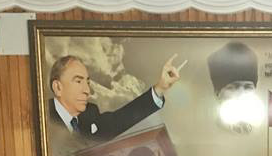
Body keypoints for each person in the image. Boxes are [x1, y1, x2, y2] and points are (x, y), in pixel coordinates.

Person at [48, 53, 182, 141]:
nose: (87, 90)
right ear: (58, 87)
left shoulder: (90, 113)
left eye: (87, 82)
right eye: (78, 81)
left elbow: (121, 119)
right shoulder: (42, 118)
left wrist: (160, 88)